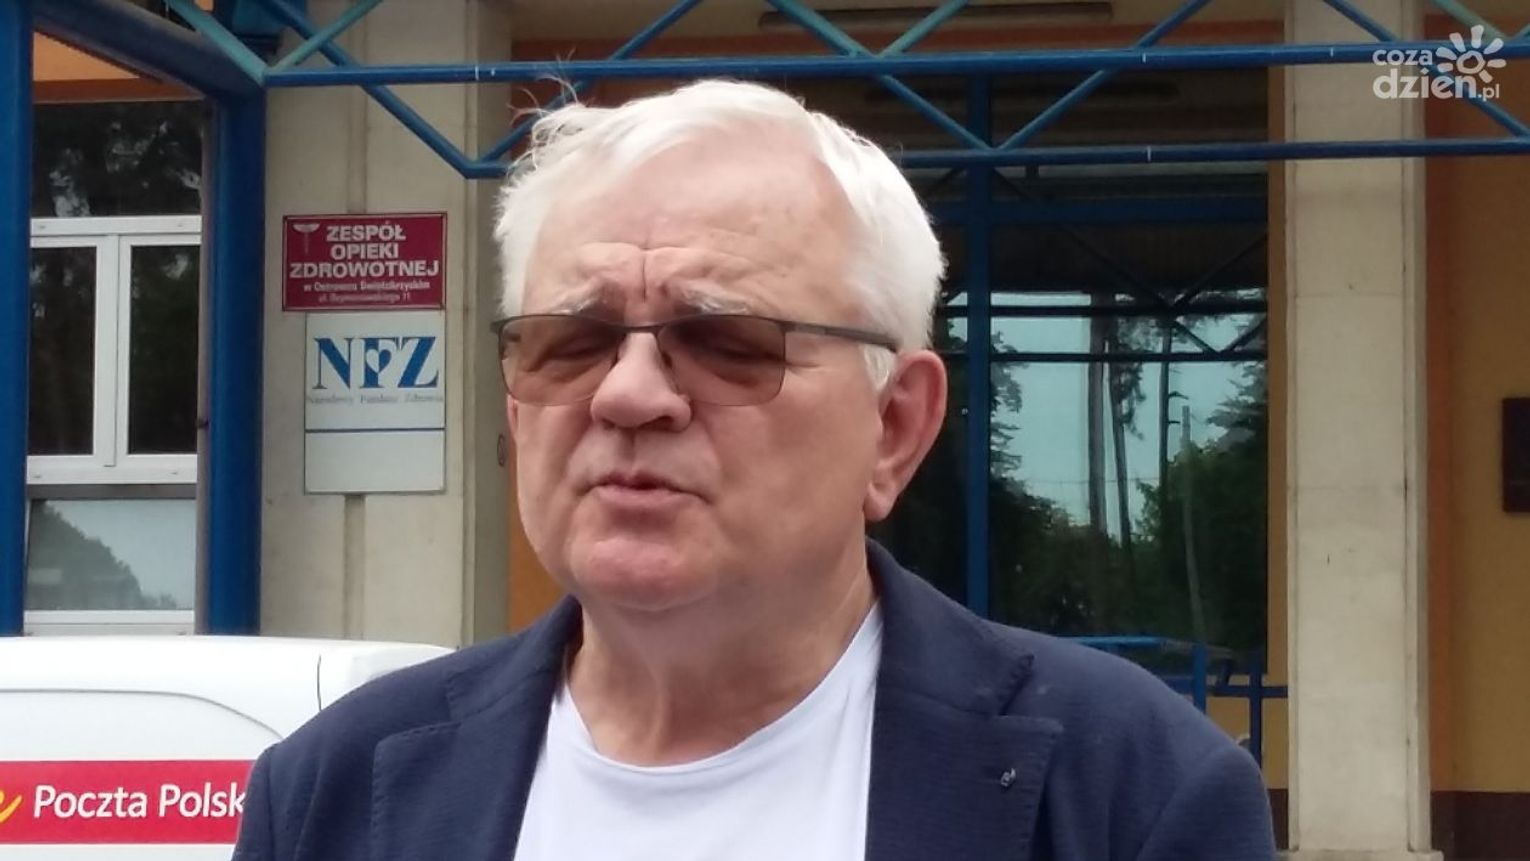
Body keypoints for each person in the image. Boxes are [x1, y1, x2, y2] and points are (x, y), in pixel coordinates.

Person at [231, 79, 1275, 861]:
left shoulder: (1131, 793)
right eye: (571, 341)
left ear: (894, 427)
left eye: (728, 342)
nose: (628, 395)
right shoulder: (328, 794)